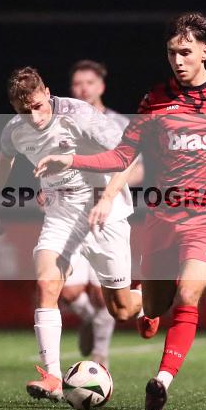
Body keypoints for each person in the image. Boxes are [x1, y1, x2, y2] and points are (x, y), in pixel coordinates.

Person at [35, 12, 206, 410]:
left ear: (204, 52)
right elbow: (121, 157)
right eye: (172, 52)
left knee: (188, 293)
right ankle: (179, 294)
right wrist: (71, 160)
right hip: (164, 217)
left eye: (186, 52)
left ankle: (161, 381)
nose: (178, 60)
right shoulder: (155, 100)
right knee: (150, 306)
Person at [0, 66, 143, 401]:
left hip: (105, 213)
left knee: (121, 309)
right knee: (47, 284)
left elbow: (127, 155)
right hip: (61, 215)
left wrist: (107, 197)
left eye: (38, 106)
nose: (34, 117)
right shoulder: (15, 130)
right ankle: (53, 377)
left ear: (47, 93)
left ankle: (148, 302)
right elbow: (3, 159)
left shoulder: (79, 115)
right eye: (24, 111)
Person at [59, 60, 144, 368]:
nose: (83, 88)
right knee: (68, 291)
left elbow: (137, 171)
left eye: (89, 83)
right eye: (77, 83)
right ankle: (90, 320)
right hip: (69, 211)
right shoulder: (62, 122)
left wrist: (106, 188)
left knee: (103, 295)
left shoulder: (119, 123)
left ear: (101, 86)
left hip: (107, 213)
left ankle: (101, 354)